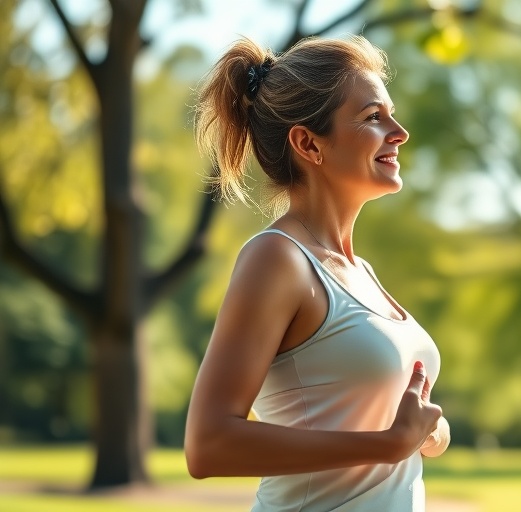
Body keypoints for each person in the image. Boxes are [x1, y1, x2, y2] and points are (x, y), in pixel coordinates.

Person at [184, 35, 450, 512]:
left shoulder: (360, 271)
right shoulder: (277, 259)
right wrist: (387, 444)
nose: (399, 131)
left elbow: (379, 418)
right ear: (308, 143)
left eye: (390, 112)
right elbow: (208, 444)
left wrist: (427, 430)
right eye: (373, 117)